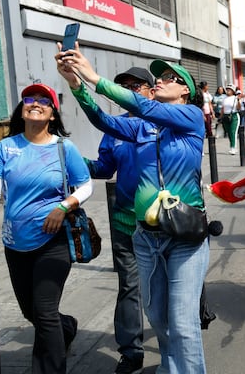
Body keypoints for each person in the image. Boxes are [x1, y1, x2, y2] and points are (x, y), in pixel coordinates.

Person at [56, 45, 209, 373]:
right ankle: (171, 368)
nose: (160, 81)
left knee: (183, 325)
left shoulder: (191, 118)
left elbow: (142, 105)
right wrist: (76, 85)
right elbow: (103, 120)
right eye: (159, 77)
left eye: (170, 77)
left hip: (185, 238)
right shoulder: (142, 127)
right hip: (146, 238)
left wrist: (93, 76)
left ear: (186, 90)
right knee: (159, 319)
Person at [0, 84, 92, 373]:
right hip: (15, 243)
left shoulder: (64, 148)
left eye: (43, 101)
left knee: (45, 312)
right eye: (29, 99)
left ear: (52, 114)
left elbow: (85, 184)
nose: (35, 103)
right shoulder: (6, 147)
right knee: (31, 312)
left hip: (53, 242)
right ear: (22, 109)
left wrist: (64, 207)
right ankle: (67, 327)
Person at [84, 66, 155, 373]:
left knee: (168, 285)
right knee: (129, 285)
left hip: (165, 223)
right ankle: (131, 350)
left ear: (151, 92)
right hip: (127, 222)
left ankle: (177, 342)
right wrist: (74, 163)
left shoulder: (165, 121)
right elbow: (104, 168)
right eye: (123, 86)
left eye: (135, 86)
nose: (127, 91)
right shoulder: (114, 129)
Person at [219, 84, 241, 155]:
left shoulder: (235, 98)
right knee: (228, 132)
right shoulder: (224, 98)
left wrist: (238, 101)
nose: (228, 90)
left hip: (234, 116)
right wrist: (220, 117)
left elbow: (238, 108)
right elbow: (222, 109)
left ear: (233, 91)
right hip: (226, 117)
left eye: (230, 89)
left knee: (233, 132)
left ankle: (233, 147)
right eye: (227, 89)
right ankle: (233, 146)